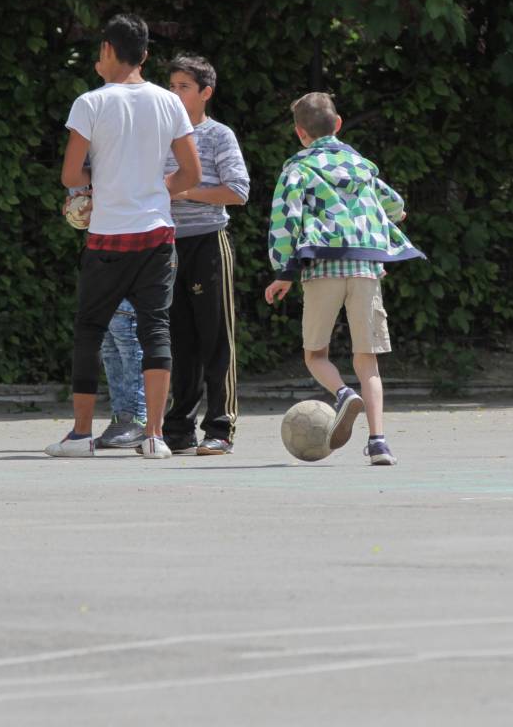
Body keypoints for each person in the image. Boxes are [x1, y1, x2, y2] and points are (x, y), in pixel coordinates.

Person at [47, 13, 201, 460]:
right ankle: (154, 436)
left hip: (109, 236)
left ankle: (80, 435)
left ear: (108, 51)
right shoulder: (170, 102)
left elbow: (71, 174)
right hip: (157, 234)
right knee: (156, 329)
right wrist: (152, 189)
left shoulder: (90, 103)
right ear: (146, 55)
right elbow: (190, 172)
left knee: (89, 329)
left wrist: (103, 187)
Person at [264, 92, 425, 465]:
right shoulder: (362, 166)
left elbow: (283, 222)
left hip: (322, 267)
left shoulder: (297, 168)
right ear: (337, 124)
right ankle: (379, 442)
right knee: (367, 360)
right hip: (367, 267)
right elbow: (396, 205)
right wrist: (388, 218)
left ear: (299, 132)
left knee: (315, 353)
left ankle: (341, 394)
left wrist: (284, 273)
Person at [160, 54, 250, 456]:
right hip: (165, 244)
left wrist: (184, 191)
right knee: (178, 339)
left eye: (184, 87)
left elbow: (238, 191)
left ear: (205, 93)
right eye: (172, 85)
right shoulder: (159, 134)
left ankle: (220, 427)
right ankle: (177, 429)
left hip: (209, 242)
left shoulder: (218, 136)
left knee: (215, 337)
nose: (174, 93)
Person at [95, 297, 148, 448]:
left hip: (127, 298)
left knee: (130, 352)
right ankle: (120, 419)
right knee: (110, 354)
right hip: (105, 297)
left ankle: (136, 419)